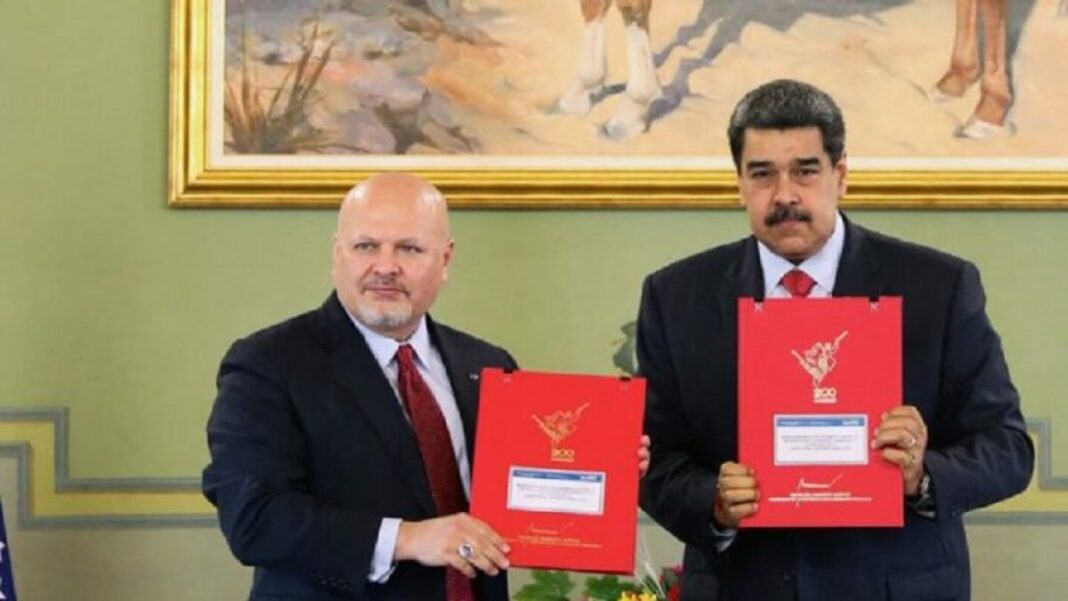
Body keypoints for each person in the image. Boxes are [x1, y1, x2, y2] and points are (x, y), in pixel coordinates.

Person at [636, 80, 1033, 601]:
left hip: (895, 586)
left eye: (805, 171)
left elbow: (1006, 449)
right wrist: (713, 501)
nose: (785, 196)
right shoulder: (676, 296)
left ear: (840, 175)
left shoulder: (938, 286)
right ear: (739, 184)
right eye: (762, 175)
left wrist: (919, 476)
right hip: (742, 586)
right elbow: (655, 457)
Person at [203, 172, 650, 600]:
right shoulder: (269, 364)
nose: (385, 266)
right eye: (365, 246)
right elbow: (255, 519)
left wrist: (604, 468)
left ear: (445, 260)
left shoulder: (488, 365)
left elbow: (520, 497)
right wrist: (410, 538)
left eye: (409, 249)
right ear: (337, 253)